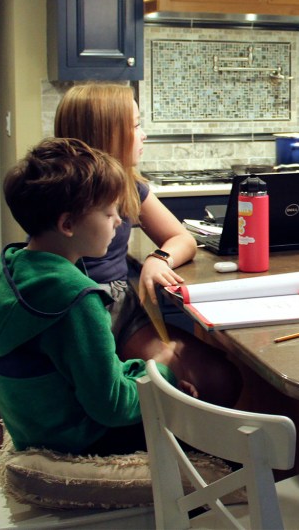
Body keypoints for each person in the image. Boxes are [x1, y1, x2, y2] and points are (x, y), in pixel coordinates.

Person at [0, 138, 192, 454]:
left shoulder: (14, 265)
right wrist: (165, 375)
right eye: (109, 213)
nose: (119, 221)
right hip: (78, 441)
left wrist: (150, 376)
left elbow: (100, 374)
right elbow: (111, 407)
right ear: (67, 224)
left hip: (35, 426)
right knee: (202, 428)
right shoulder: (76, 299)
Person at [54, 82, 241, 407]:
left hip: (125, 311)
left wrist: (159, 259)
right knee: (195, 383)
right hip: (90, 318)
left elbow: (182, 238)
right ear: (105, 134)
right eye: (136, 126)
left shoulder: (128, 182)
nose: (144, 135)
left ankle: (196, 451)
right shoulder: (62, 198)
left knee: (221, 375)